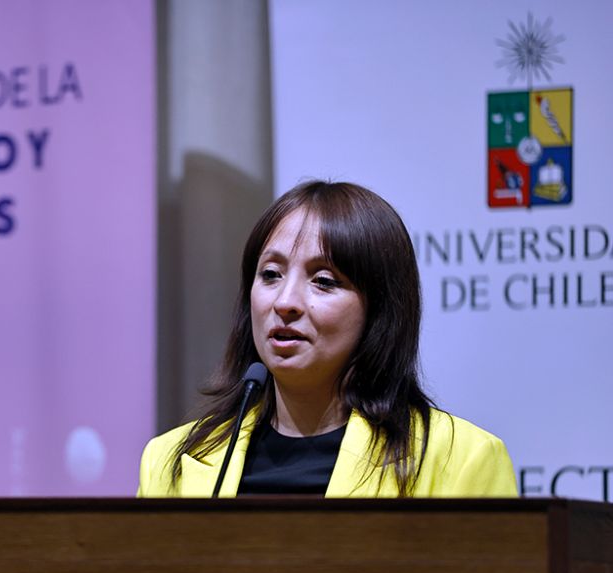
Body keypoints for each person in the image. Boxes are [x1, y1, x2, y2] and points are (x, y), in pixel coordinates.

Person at [138, 180, 517, 498]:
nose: (285, 302)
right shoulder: (169, 463)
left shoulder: (462, 461)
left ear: (380, 309)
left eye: (323, 281)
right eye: (271, 274)